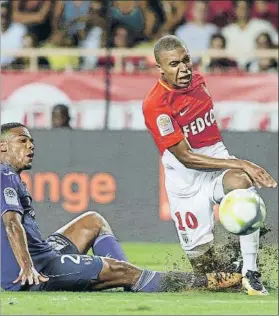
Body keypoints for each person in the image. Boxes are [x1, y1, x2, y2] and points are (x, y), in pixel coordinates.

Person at [0, 122, 241, 292]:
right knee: (124, 272)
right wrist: (27, 267)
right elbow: (11, 223)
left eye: (31, 141)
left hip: (41, 254)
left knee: (92, 221)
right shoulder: (5, 174)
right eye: (22, 141)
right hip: (34, 271)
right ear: (3, 147)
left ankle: (125, 277)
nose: (30, 146)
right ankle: (205, 282)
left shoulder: (10, 176)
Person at [142, 35, 277, 296]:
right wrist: (242, 161)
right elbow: (186, 157)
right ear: (160, 68)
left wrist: (239, 168)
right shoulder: (156, 105)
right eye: (174, 64)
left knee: (242, 183)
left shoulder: (198, 81)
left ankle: (250, 272)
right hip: (186, 181)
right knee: (208, 273)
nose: (183, 69)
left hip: (216, 163)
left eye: (186, 61)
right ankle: (234, 270)